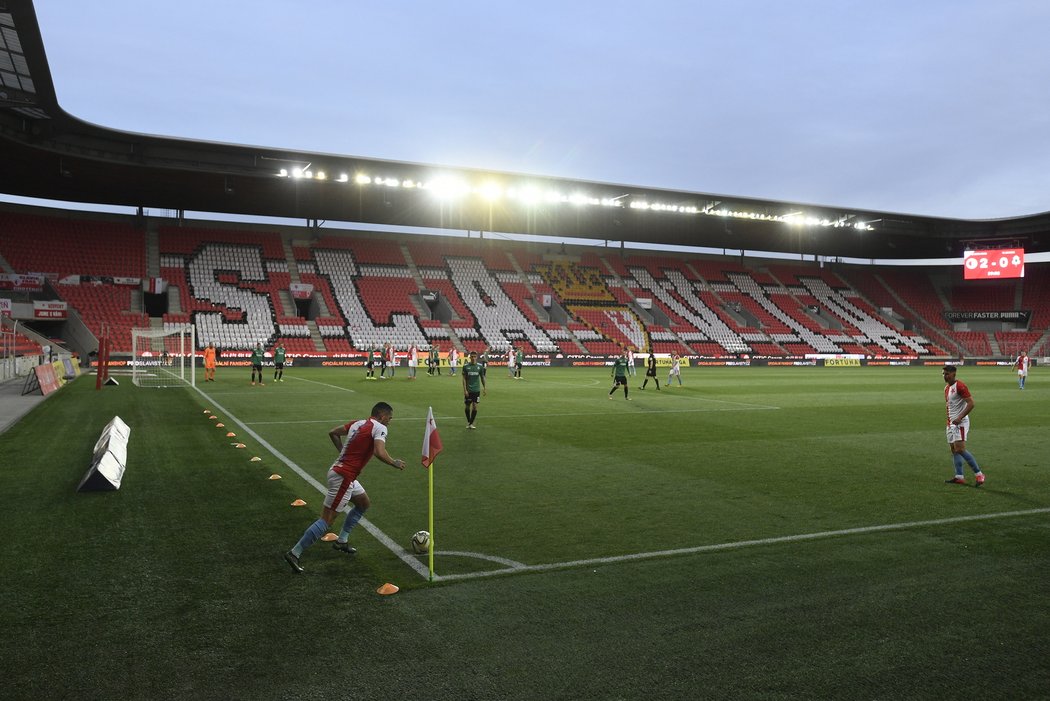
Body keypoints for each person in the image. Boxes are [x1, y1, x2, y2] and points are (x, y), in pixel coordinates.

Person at [284, 402, 407, 573]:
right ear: (382, 415)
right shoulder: (379, 427)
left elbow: (333, 432)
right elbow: (379, 451)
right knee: (327, 519)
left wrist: (344, 454)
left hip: (342, 473)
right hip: (344, 477)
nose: (390, 421)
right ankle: (294, 553)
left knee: (363, 503)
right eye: (390, 418)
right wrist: (394, 462)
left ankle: (342, 541)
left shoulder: (357, 423)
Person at [942, 364, 985, 486]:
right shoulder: (946, 388)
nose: (945, 376)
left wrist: (960, 417)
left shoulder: (960, 386)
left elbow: (971, 403)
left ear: (954, 374)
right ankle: (959, 476)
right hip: (951, 423)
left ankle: (979, 474)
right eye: (943, 374)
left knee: (960, 449)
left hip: (960, 422)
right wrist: (951, 421)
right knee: (954, 450)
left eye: (947, 374)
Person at [461, 350, 487, 428]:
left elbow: (482, 377)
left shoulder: (480, 367)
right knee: (467, 406)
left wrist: (485, 388)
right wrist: (465, 390)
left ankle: (471, 423)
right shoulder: (466, 366)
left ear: (477, 357)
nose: (473, 358)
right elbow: (464, 379)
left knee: (475, 406)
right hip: (468, 390)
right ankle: (469, 421)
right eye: (472, 356)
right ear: (470, 357)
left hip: (476, 390)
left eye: (474, 356)